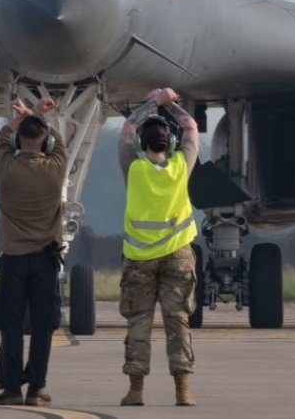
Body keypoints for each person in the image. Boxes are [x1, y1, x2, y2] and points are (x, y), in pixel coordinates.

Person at [116, 87, 200, 407]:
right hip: (178, 255)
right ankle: (183, 390)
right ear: (171, 144)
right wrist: (171, 104)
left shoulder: (133, 169)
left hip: (139, 259)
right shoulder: (180, 166)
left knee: (139, 321)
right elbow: (191, 128)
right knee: (177, 320)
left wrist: (150, 102)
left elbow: (126, 130)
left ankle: (136, 390)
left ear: (141, 144)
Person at [0, 96, 68, 406]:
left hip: (12, 259)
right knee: (42, 326)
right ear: (45, 143)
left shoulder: (5, 167)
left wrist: (24, 117)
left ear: (18, 140)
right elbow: (58, 142)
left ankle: (10, 388)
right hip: (45, 260)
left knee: (10, 324)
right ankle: (36, 388)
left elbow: (2, 139)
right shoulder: (55, 168)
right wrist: (39, 117)